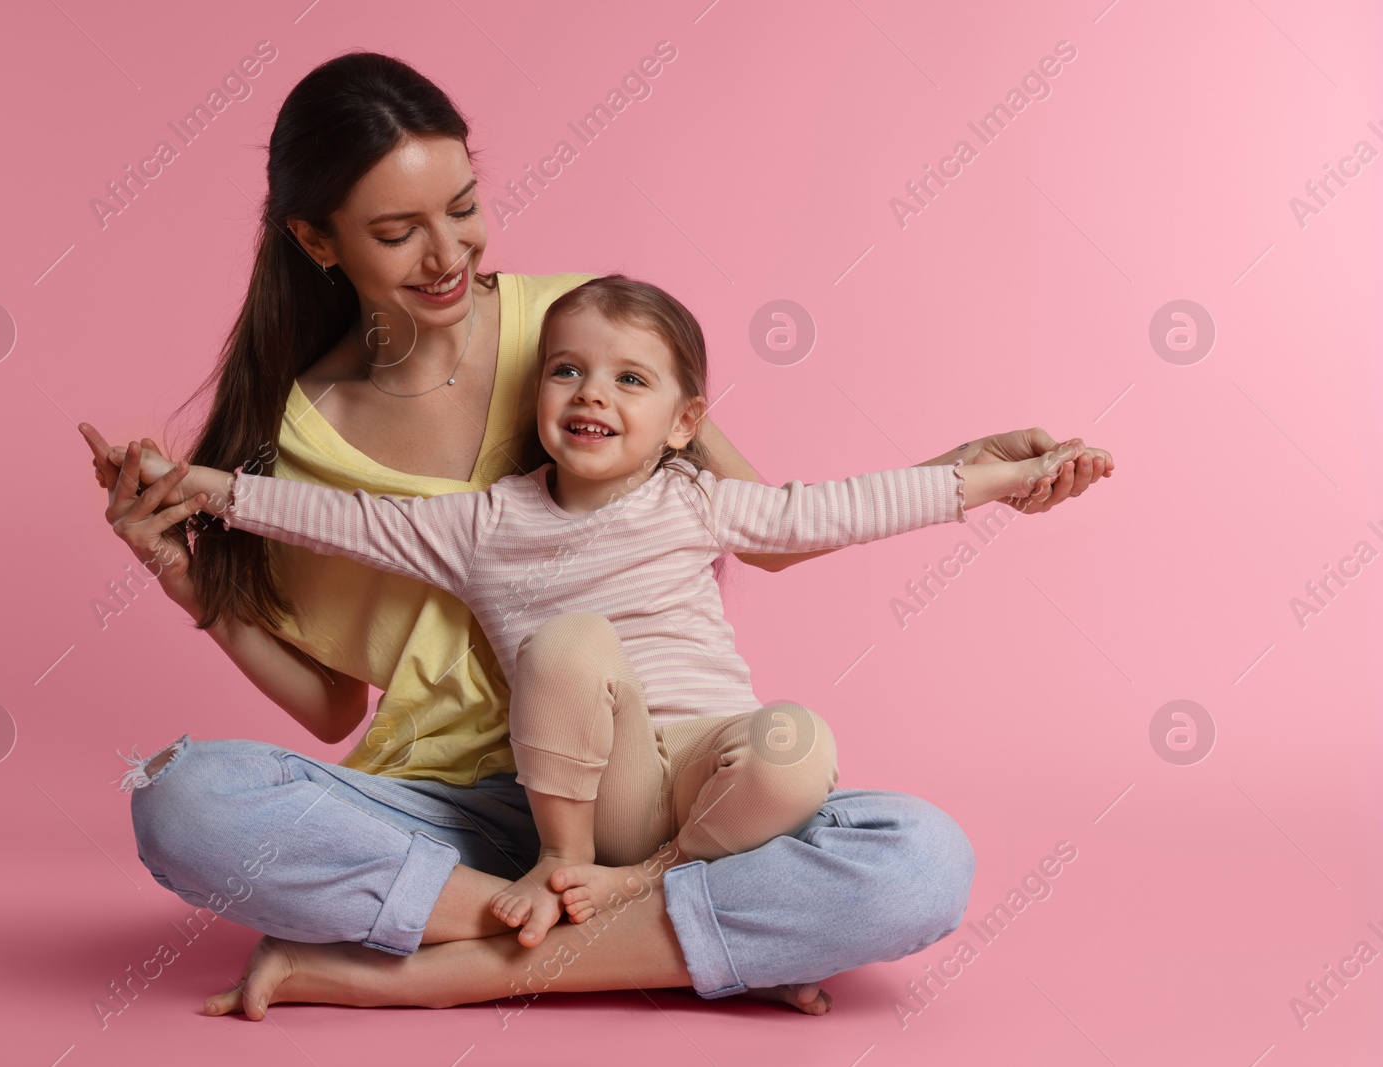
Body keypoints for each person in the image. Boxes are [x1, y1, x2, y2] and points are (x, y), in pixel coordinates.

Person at [80, 50, 1114, 1019]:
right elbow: (331, 698)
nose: (448, 255)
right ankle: (691, 938)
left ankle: (450, 966)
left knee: (920, 857)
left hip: (682, 794)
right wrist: (187, 567)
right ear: (317, 240)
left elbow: (787, 521)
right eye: (397, 233)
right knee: (186, 797)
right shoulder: (315, 444)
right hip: (466, 809)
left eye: (466, 208)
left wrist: (966, 470)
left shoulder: (580, 323)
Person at [107, 273, 1092, 950]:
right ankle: (581, 873)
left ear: (684, 422)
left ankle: (635, 886)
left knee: (800, 739)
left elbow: (830, 506)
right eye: (568, 369)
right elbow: (342, 518)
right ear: (538, 390)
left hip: (711, 781)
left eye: (631, 379)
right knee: (570, 643)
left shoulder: (699, 498)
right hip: (589, 796)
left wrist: (988, 481)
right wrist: (200, 486)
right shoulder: (482, 523)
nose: (592, 395)